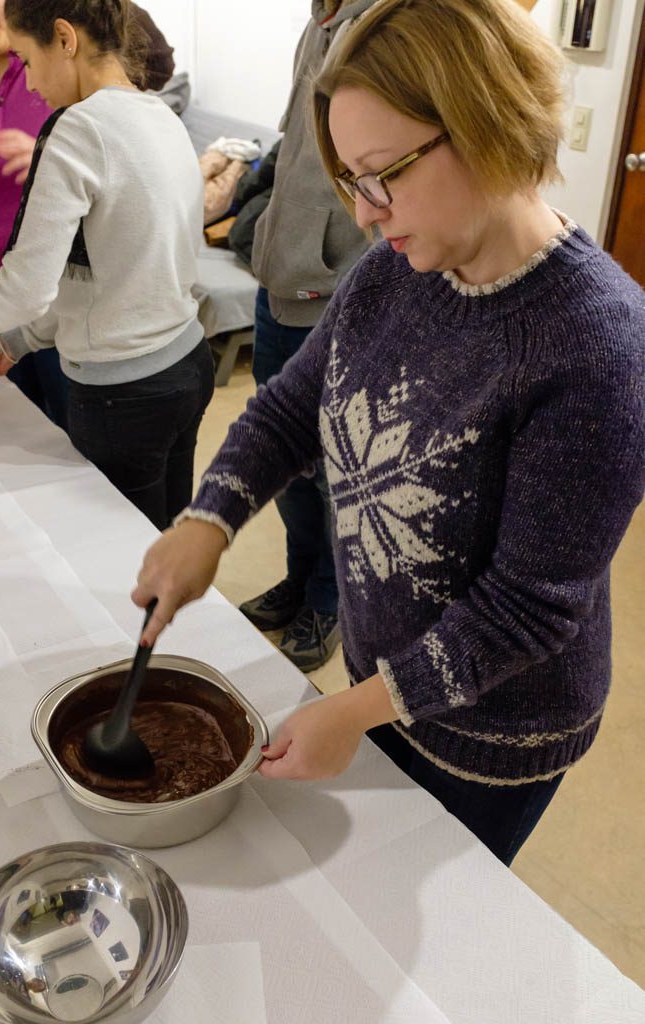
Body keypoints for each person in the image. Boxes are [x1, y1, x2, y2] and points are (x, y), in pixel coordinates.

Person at [132, 0, 644, 866]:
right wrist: (208, 520)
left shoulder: (599, 347)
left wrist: (355, 707)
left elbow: (527, 611)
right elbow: (294, 407)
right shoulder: (394, 273)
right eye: (352, 182)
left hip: (496, 732)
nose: (365, 214)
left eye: (383, 175)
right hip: (386, 681)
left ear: (486, 125)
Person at [0, 0, 213, 532]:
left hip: (124, 393)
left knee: (123, 552)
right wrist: (18, 342)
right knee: (164, 535)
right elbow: (107, 273)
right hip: (187, 363)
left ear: (65, 39)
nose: (31, 84)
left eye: (30, 60)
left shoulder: (75, 129)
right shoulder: (157, 114)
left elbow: (26, 287)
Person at [237, 0, 377, 673]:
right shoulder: (316, 21)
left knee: (331, 470)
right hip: (280, 283)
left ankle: (328, 602)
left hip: (335, 288)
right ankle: (299, 579)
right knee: (289, 459)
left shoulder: (384, 22)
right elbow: (296, 147)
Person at [0, 0, 175, 428]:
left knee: (80, 453)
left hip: (75, 311)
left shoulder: (87, 101)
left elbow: (151, 63)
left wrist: (51, 153)